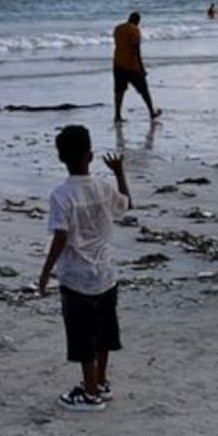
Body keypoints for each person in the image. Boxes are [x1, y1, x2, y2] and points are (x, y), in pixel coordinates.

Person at [38, 125, 131, 412]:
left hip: (77, 277)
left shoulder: (61, 195)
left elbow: (61, 236)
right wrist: (119, 173)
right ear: (90, 155)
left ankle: (89, 392)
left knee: (81, 337)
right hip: (105, 273)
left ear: (60, 158)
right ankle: (101, 382)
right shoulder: (103, 187)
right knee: (103, 333)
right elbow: (126, 206)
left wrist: (45, 273)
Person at [112, 12, 161, 123]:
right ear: (138, 21)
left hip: (118, 63)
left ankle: (117, 115)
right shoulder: (134, 30)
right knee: (144, 90)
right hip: (132, 66)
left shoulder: (118, 29)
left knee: (119, 91)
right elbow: (136, 50)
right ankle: (151, 112)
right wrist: (142, 67)